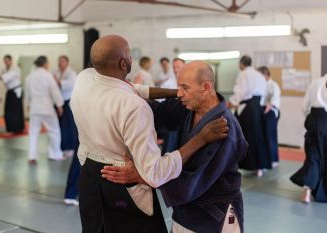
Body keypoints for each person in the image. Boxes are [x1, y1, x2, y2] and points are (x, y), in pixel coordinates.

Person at [70, 35, 229, 233]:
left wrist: (174, 92)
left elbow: (133, 88)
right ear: (123, 63)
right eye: (129, 54)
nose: (131, 58)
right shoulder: (134, 107)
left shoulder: (84, 78)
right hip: (122, 179)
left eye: (186, 87)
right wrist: (201, 138)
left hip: (89, 177)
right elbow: (154, 174)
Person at [102, 61, 248, 233]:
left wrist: (142, 175)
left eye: (185, 88)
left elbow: (192, 183)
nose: (179, 94)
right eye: (178, 86)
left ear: (206, 87)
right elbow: (159, 112)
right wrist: (127, 91)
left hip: (213, 216)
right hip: (186, 212)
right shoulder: (190, 106)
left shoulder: (223, 128)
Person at [228, 55, 270, 177]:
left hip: (247, 109)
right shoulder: (259, 75)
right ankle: (260, 167)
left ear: (241, 64)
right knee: (258, 136)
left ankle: (245, 165)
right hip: (258, 107)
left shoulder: (243, 74)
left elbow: (240, 91)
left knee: (245, 136)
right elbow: (264, 92)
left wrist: (232, 103)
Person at [290, 74, 327, 203]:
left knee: (313, 157)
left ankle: (308, 190)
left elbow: (304, 107)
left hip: (314, 120)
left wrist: (312, 120)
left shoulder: (316, 82)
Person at [24, 56, 64, 164]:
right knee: (54, 131)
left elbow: (27, 93)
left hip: (34, 107)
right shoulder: (48, 76)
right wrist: (59, 105)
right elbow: (54, 91)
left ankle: (32, 157)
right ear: (45, 64)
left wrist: (27, 105)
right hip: (47, 107)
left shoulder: (29, 77)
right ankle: (55, 154)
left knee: (33, 133)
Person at [53, 55, 78, 158]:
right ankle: (62, 147)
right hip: (58, 102)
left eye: (62, 61)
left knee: (68, 126)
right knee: (59, 126)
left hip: (68, 103)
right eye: (59, 61)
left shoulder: (72, 74)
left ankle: (70, 148)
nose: (60, 63)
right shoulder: (56, 73)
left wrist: (56, 80)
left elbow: (68, 85)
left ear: (67, 63)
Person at [0, 55, 25, 133]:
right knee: (7, 111)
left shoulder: (16, 69)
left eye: (7, 61)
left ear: (11, 61)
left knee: (16, 111)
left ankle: (18, 128)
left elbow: (6, 77)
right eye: (4, 61)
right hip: (9, 91)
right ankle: (10, 128)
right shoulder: (4, 69)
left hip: (16, 91)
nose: (6, 62)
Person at [258, 66, 281, 168]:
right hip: (261, 110)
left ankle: (274, 159)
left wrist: (270, 105)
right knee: (261, 136)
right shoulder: (259, 85)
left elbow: (275, 98)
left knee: (270, 135)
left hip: (271, 111)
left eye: (261, 76)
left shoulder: (273, 85)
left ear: (267, 75)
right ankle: (264, 159)